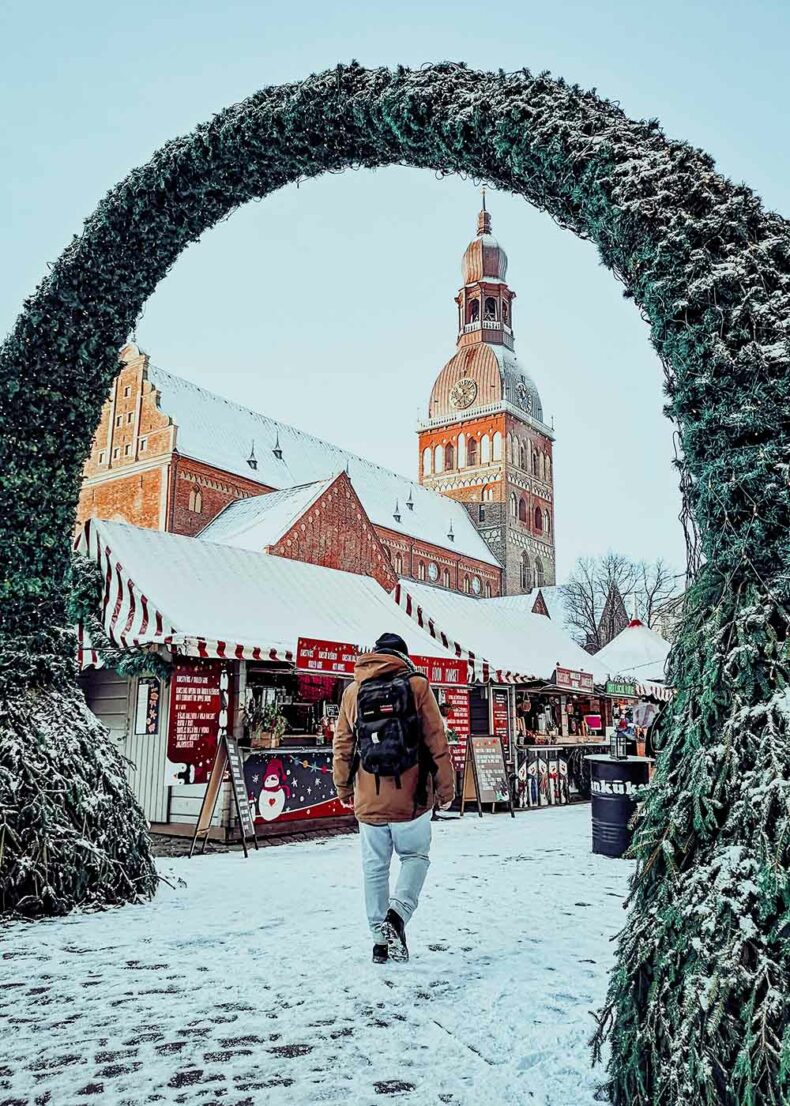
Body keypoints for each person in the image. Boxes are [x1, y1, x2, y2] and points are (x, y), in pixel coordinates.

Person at [333, 632, 455, 964]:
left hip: (368, 798)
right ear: (403, 656)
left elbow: (343, 746)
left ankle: (378, 943)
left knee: (374, 868)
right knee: (415, 857)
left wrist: (343, 787)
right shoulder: (417, 685)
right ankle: (397, 915)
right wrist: (446, 789)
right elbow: (437, 741)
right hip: (411, 797)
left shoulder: (353, 691)